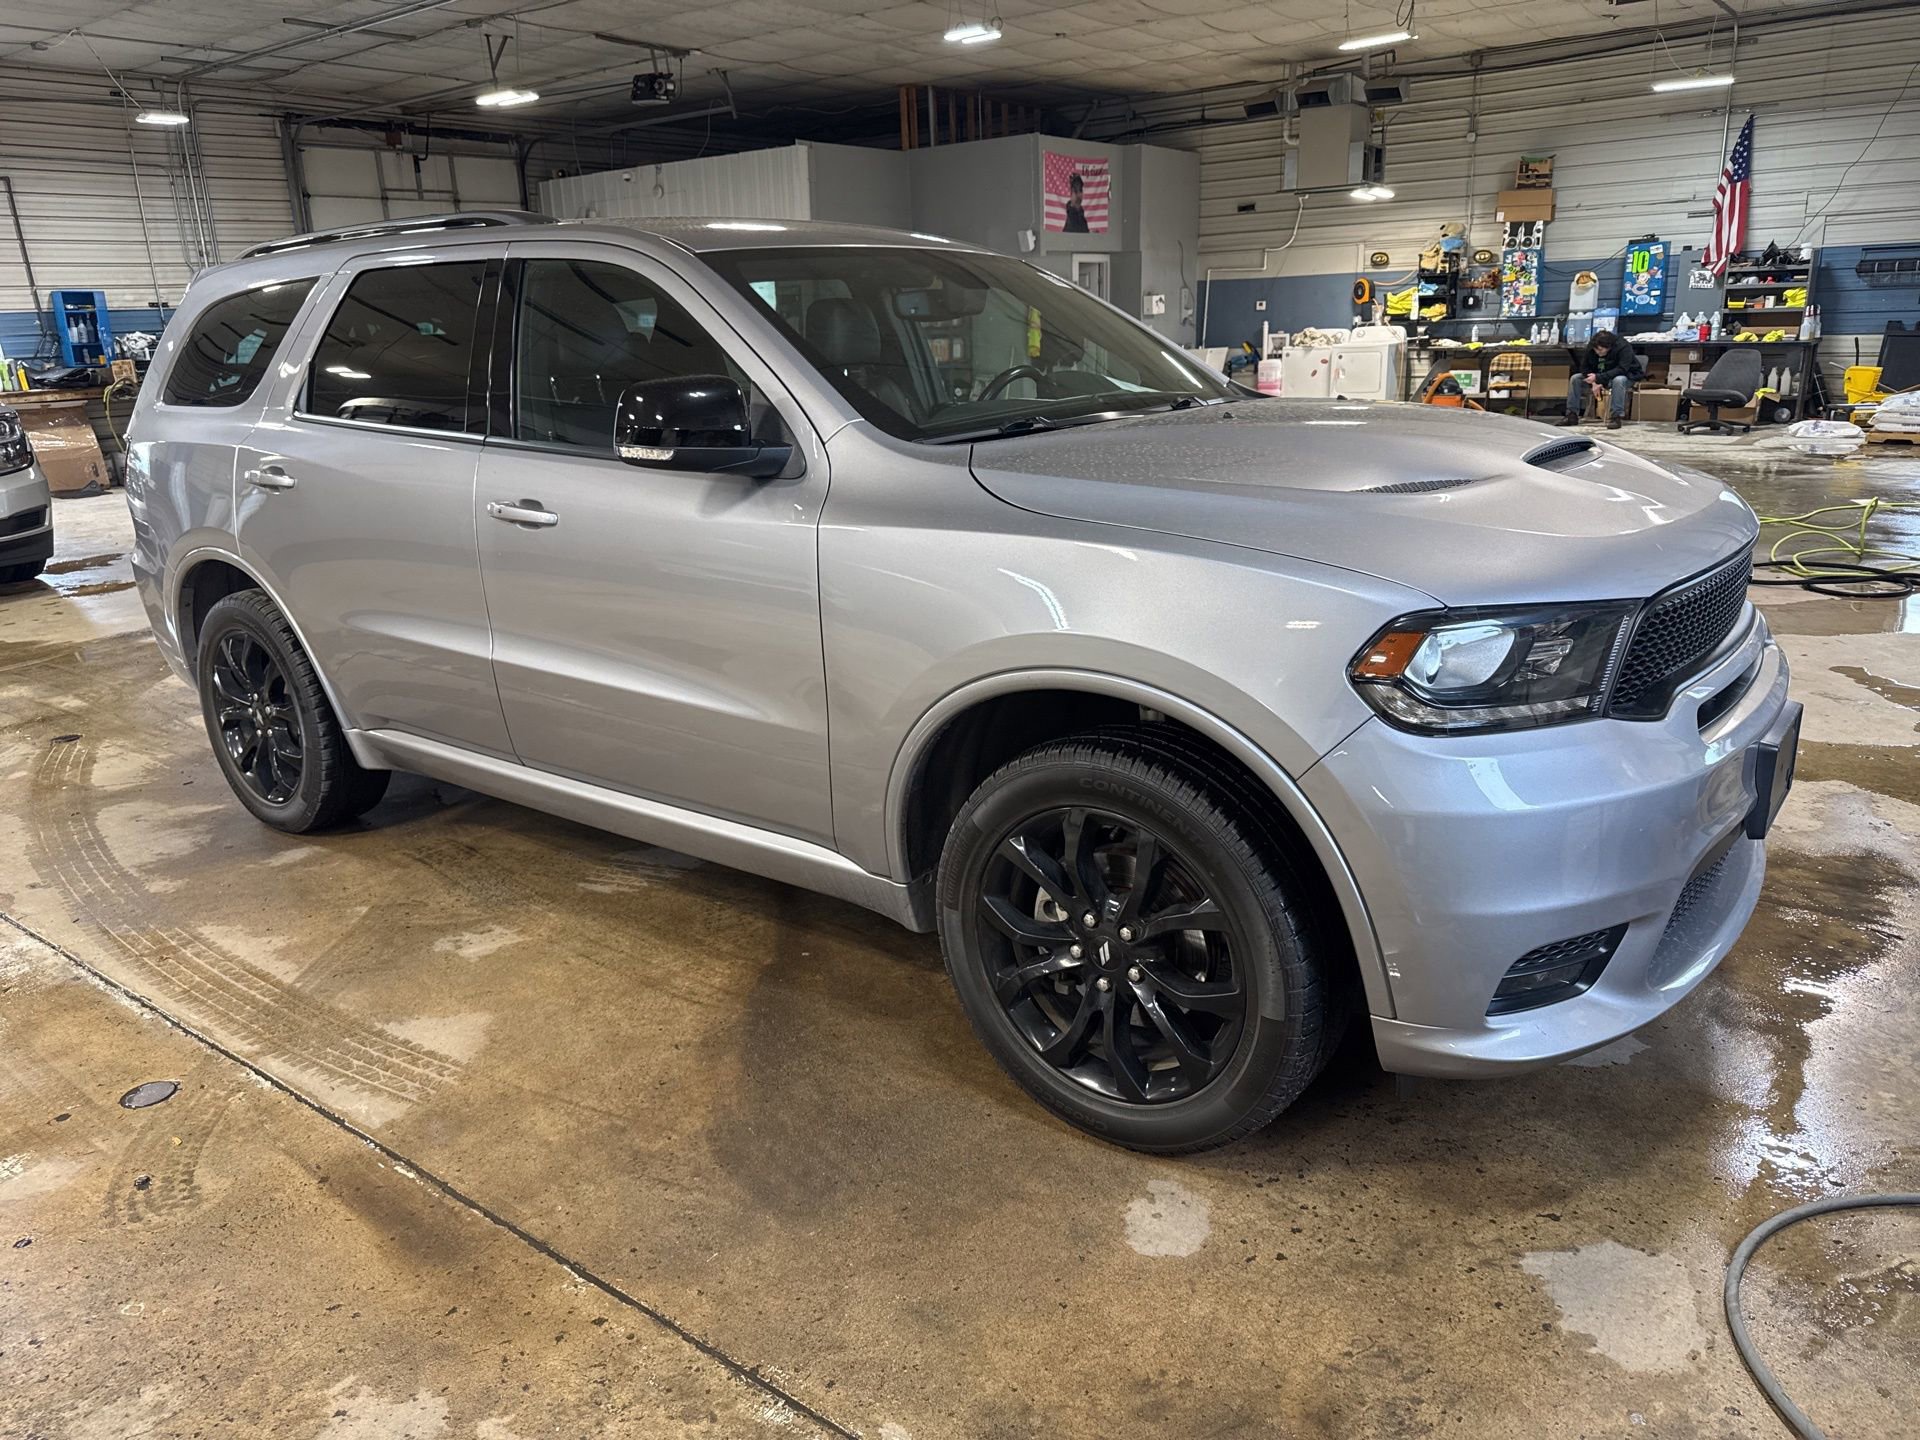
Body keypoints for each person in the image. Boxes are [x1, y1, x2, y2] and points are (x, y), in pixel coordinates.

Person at [1558, 330, 1642, 429]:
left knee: (1618, 380)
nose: (1597, 353)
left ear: (1609, 347)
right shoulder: (1593, 346)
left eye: (1601, 350)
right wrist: (1594, 382)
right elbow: (1584, 367)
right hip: (1599, 375)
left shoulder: (1623, 347)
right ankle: (1571, 415)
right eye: (1596, 350)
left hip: (1625, 375)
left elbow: (1622, 369)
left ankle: (1616, 417)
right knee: (1575, 378)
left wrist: (1599, 378)